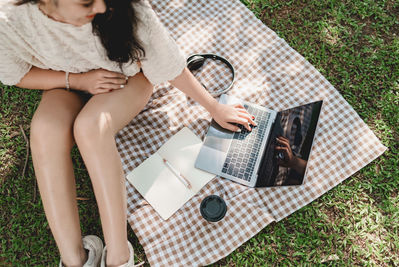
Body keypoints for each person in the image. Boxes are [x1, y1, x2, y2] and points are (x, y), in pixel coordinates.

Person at [0, 0, 256, 266]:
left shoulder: (123, 6)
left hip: (126, 79)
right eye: (87, 2)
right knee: (44, 131)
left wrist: (214, 107)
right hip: (65, 82)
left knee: (90, 128)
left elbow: (167, 63)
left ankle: (119, 257)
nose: (99, 7)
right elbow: (17, 74)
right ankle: (75, 259)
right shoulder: (8, 17)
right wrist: (77, 80)